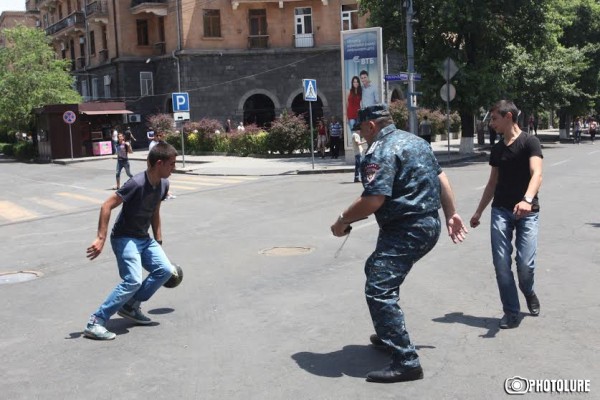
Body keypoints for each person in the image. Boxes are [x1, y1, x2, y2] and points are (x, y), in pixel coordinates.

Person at [330, 104, 467, 383]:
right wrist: (451, 214)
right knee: (375, 268)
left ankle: (406, 361)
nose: (362, 136)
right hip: (427, 225)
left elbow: (373, 200)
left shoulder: (380, 150)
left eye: (362, 130)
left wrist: (342, 221)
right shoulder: (415, 141)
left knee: (379, 288)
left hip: (406, 228)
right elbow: (441, 177)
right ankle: (387, 332)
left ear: (371, 126)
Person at [83, 142, 179, 340]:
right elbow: (107, 205)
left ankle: (130, 306)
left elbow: (155, 211)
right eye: (172, 164)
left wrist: (158, 241)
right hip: (124, 238)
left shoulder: (163, 184)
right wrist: (100, 238)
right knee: (133, 280)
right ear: (159, 163)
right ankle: (96, 321)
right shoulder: (136, 184)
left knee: (165, 270)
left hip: (144, 239)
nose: (174, 168)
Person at [470, 100, 543, 330]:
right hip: (501, 210)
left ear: (508, 116)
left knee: (524, 265)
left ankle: (528, 291)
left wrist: (527, 200)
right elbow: (492, 183)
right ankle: (511, 311)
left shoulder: (530, 142)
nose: (491, 124)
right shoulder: (498, 149)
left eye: (494, 119)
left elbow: (537, 174)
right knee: (501, 264)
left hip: (527, 212)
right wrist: (479, 211)